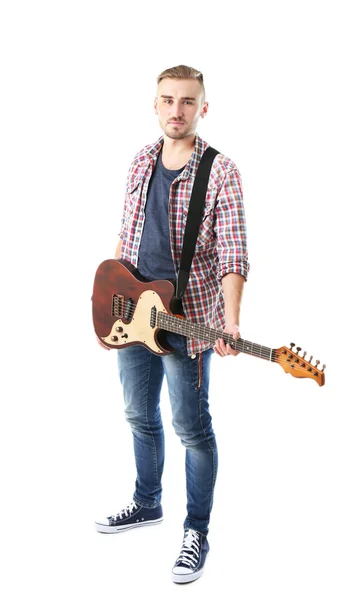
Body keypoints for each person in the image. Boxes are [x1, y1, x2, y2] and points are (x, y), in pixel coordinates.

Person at [95, 64, 249, 584]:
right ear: (155, 105)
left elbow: (233, 253)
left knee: (191, 427)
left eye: (187, 101)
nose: (176, 111)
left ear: (203, 107)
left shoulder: (221, 171)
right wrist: (107, 295)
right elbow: (126, 235)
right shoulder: (140, 159)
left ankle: (196, 531)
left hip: (188, 320)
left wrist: (229, 321)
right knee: (138, 414)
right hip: (133, 315)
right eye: (167, 100)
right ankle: (147, 502)